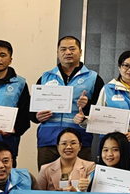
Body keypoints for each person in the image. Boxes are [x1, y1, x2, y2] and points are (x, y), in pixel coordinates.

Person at [31, 35, 104, 167]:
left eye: (72, 49)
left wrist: (87, 105)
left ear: (80, 52)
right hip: (48, 142)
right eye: (63, 49)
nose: (68, 52)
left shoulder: (94, 79)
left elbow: (101, 114)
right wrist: (36, 116)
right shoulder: (45, 77)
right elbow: (32, 112)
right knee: (47, 179)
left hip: (80, 142)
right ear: (57, 52)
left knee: (80, 178)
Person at [82, 51, 130, 173]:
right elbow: (97, 117)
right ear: (119, 67)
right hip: (112, 148)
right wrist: (83, 120)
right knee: (111, 179)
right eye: (126, 65)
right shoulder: (108, 89)